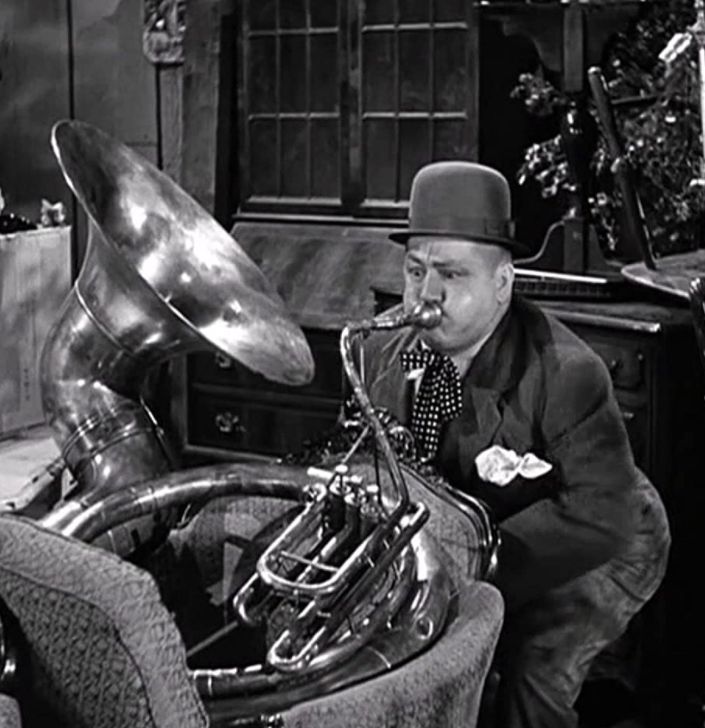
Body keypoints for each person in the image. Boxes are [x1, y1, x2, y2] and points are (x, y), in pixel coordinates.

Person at [361, 161, 671, 728]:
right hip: (478, 531)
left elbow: (603, 514)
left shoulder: (570, 372)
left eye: (452, 275)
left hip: (607, 532)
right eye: (415, 271)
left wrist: (460, 567)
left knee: (532, 663)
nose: (426, 295)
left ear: (503, 284)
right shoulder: (379, 351)